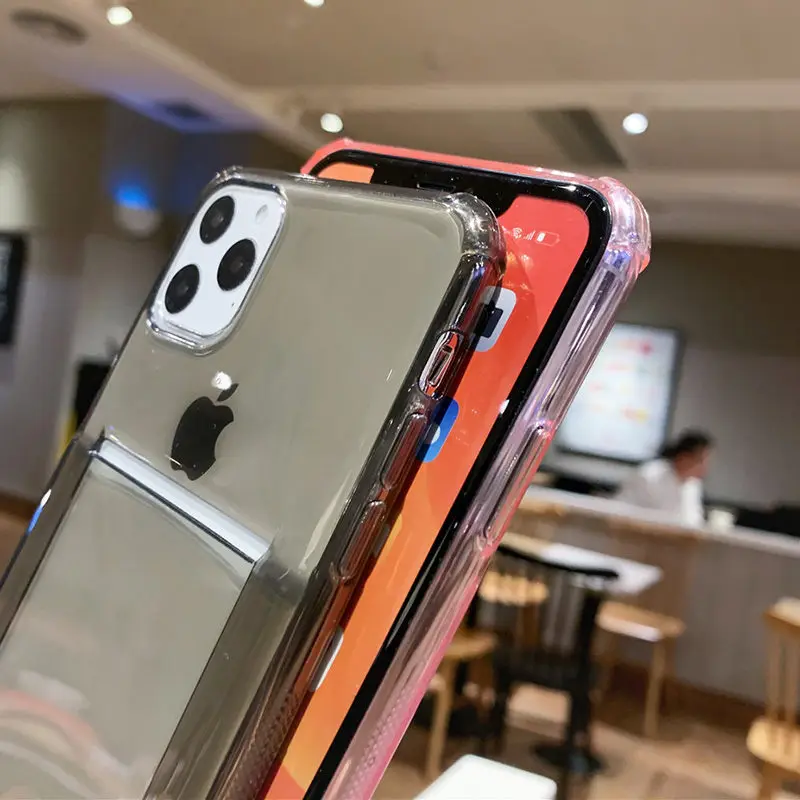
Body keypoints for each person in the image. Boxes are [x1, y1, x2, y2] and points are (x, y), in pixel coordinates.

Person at [614, 430, 714, 525]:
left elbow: (694, 521)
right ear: (684, 457)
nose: (705, 468)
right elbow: (619, 510)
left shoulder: (693, 485)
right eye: (701, 461)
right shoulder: (649, 475)